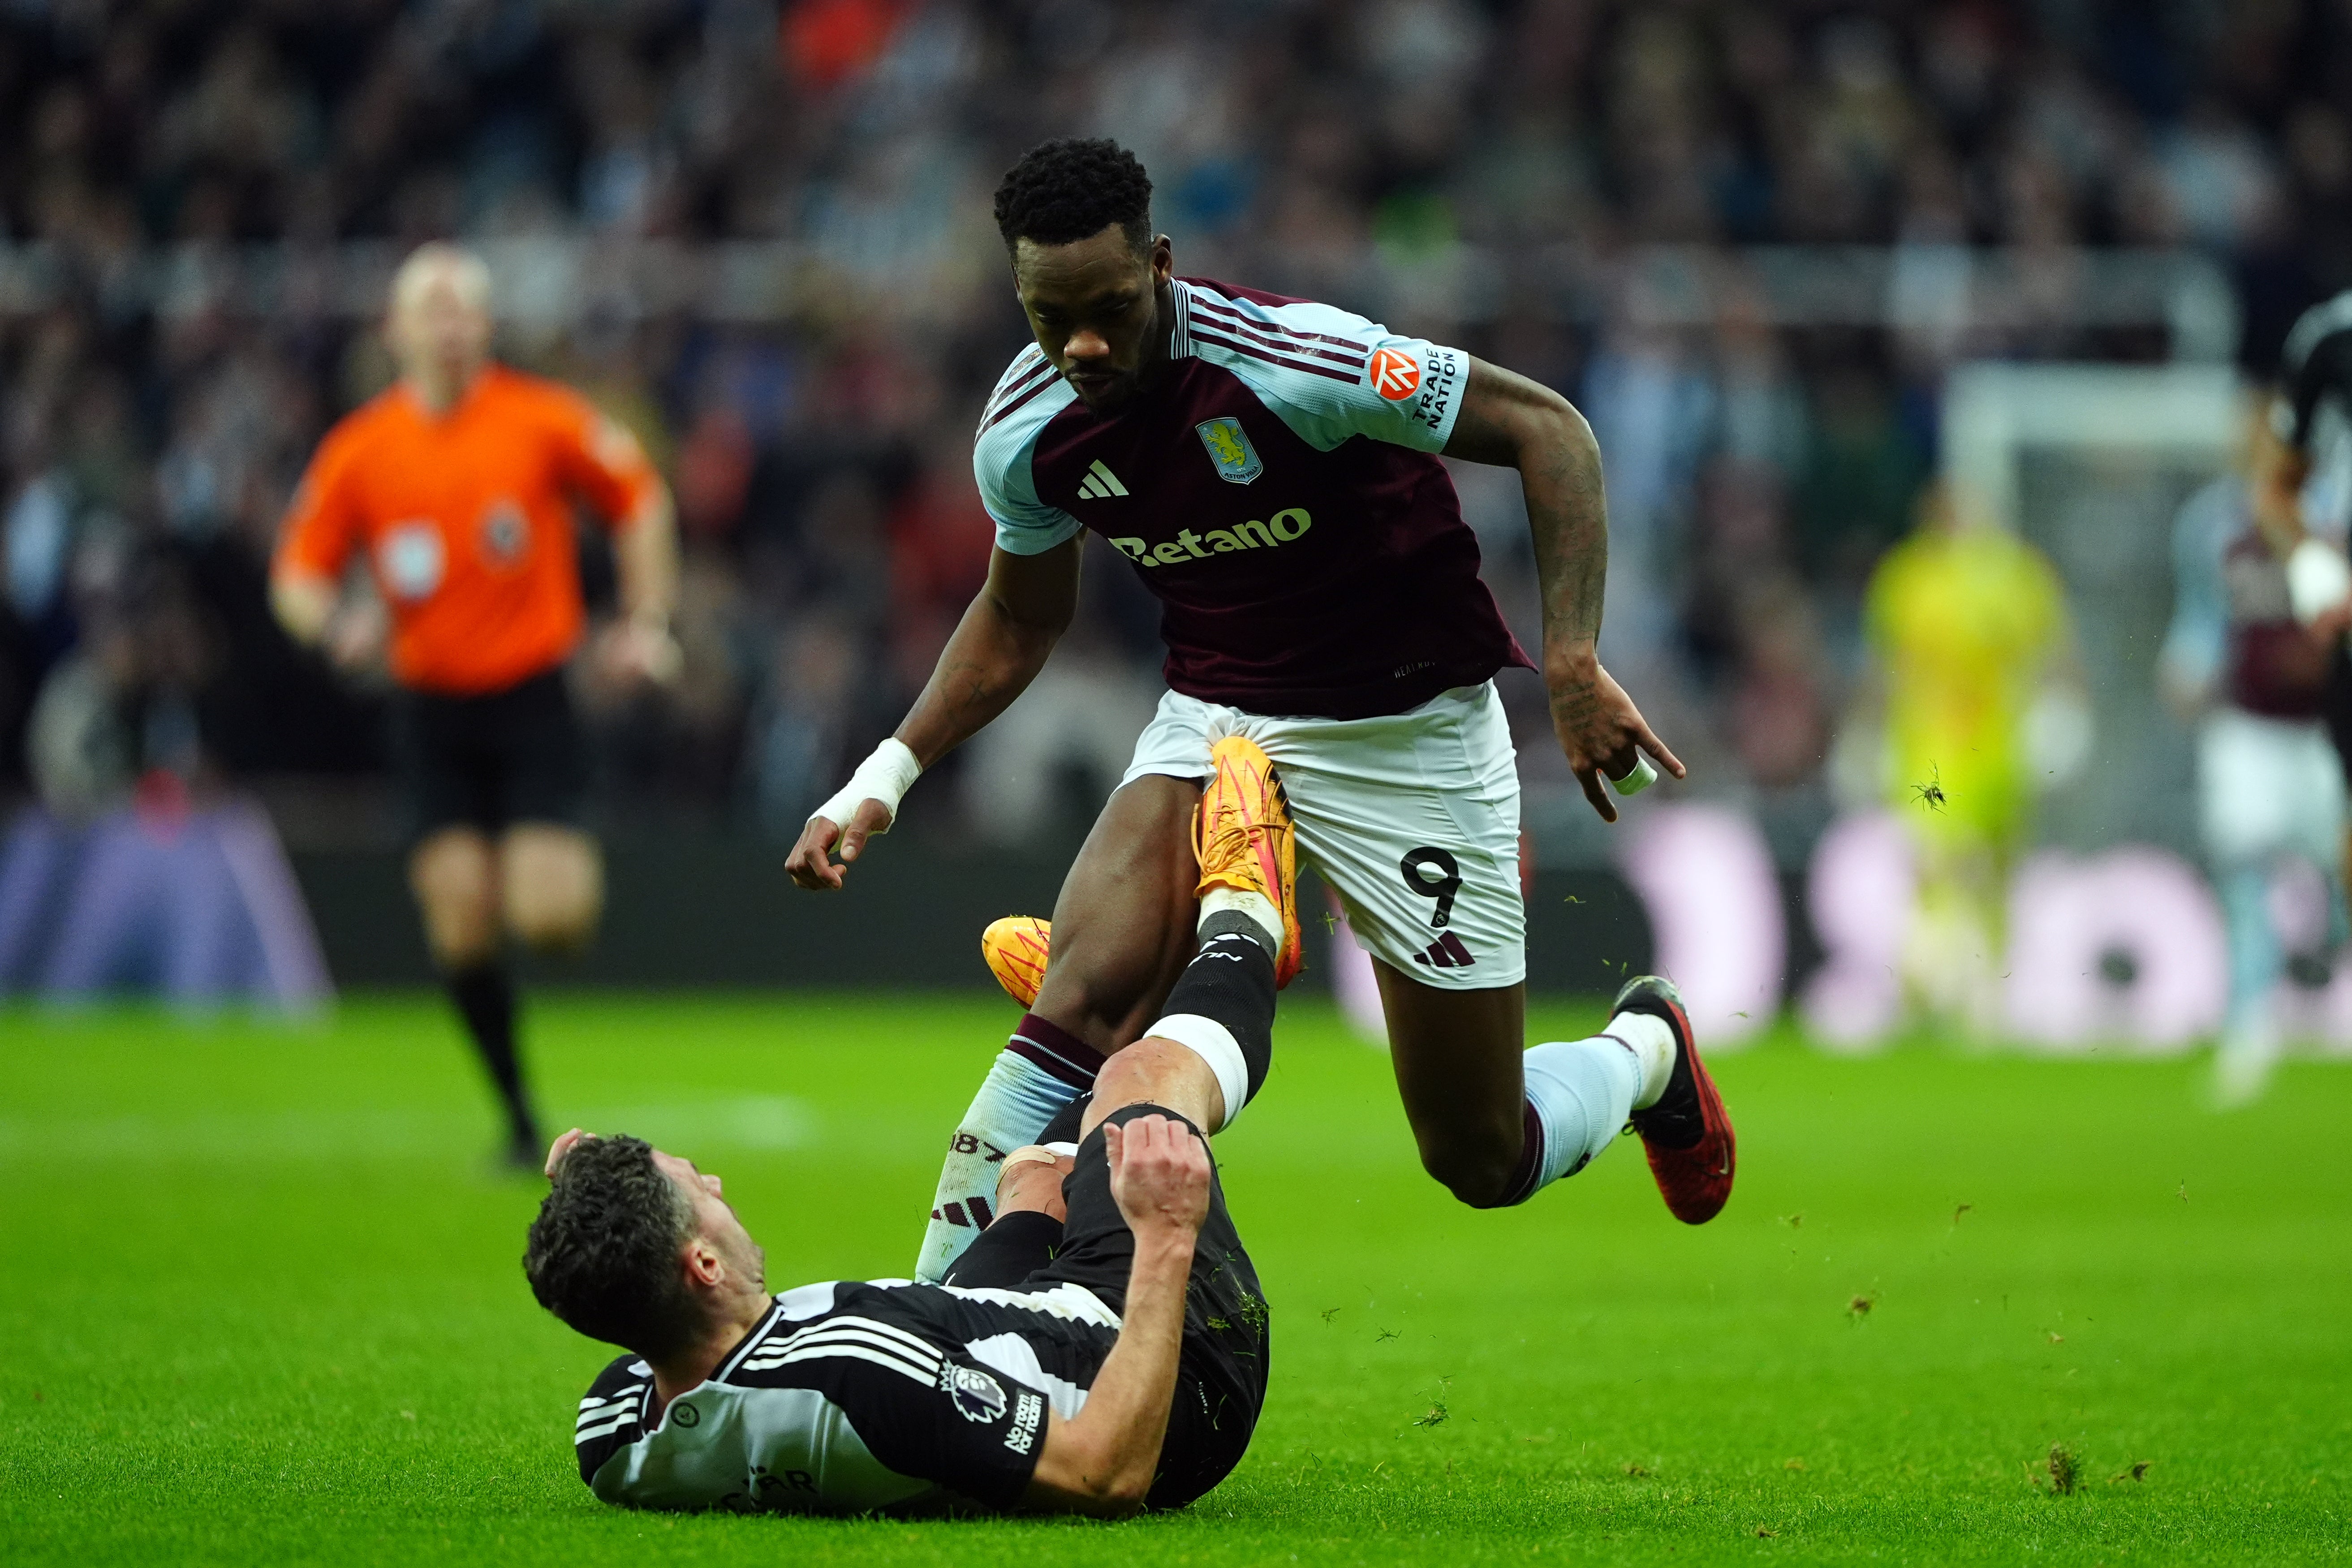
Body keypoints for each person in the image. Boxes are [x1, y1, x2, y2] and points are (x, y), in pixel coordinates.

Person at [785, 138, 1733, 1285]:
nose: (1083, 343)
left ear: (1162, 266)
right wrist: (884, 773)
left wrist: (1574, 663)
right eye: (1050, 316)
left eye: (1109, 308)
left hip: (1409, 734)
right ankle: (930, 1340)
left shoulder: (1295, 360)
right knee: (1078, 1003)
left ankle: (1646, 1054)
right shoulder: (1024, 434)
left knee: (1481, 1152)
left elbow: (1552, 433)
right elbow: (1019, 618)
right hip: (1221, 718)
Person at [524, 737, 1296, 1516]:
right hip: (1169, 1378)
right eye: (700, 1192)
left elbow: (622, 1291)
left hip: (1006, 1332)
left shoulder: (620, 1433)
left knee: (1031, 1178)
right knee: (1140, 1085)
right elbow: (1106, 1470)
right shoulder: (860, 1374)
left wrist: (594, 1204)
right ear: (706, 1268)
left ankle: (1163, 1011)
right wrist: (1165, 1240)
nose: (717, 1185)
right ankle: (1243, 936)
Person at [271, 243, 679, 1165]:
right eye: (434, 308)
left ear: (486, 328)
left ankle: (542, 883)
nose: (451, 325)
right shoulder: (363, 450)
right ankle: (518, 1112)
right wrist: (333, 623)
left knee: (549, 919)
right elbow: (296, 573)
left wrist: (645, 618)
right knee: (458, 917)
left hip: (532, 700)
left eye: (465, 308)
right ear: (398, 329)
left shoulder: (538, 419)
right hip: (431, 709)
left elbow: (640, 497)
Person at [1853, 483, 2080, 1037]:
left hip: (2000, 751)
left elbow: (2054, 651)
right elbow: (1888, 663)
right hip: (1929, 752)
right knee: (1939, 864)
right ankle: (1939, 993)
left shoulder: (2017, 574)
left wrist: (2064, 713)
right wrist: (1866, 730)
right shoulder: (1909, 576)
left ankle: (1984, 997)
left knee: (1995, 876)